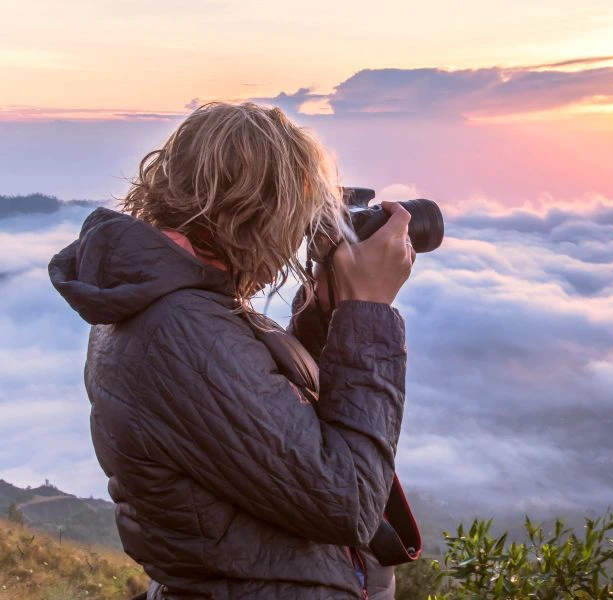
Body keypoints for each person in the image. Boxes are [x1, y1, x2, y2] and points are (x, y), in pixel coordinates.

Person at [48, 102, 416, 599]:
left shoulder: (179, 302)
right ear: (260, 212)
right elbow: (348, 500)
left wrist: (325, 314)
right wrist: (368, 313)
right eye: (298, 215)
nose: (296, 238)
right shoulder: (178, 330)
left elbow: (270, 416)